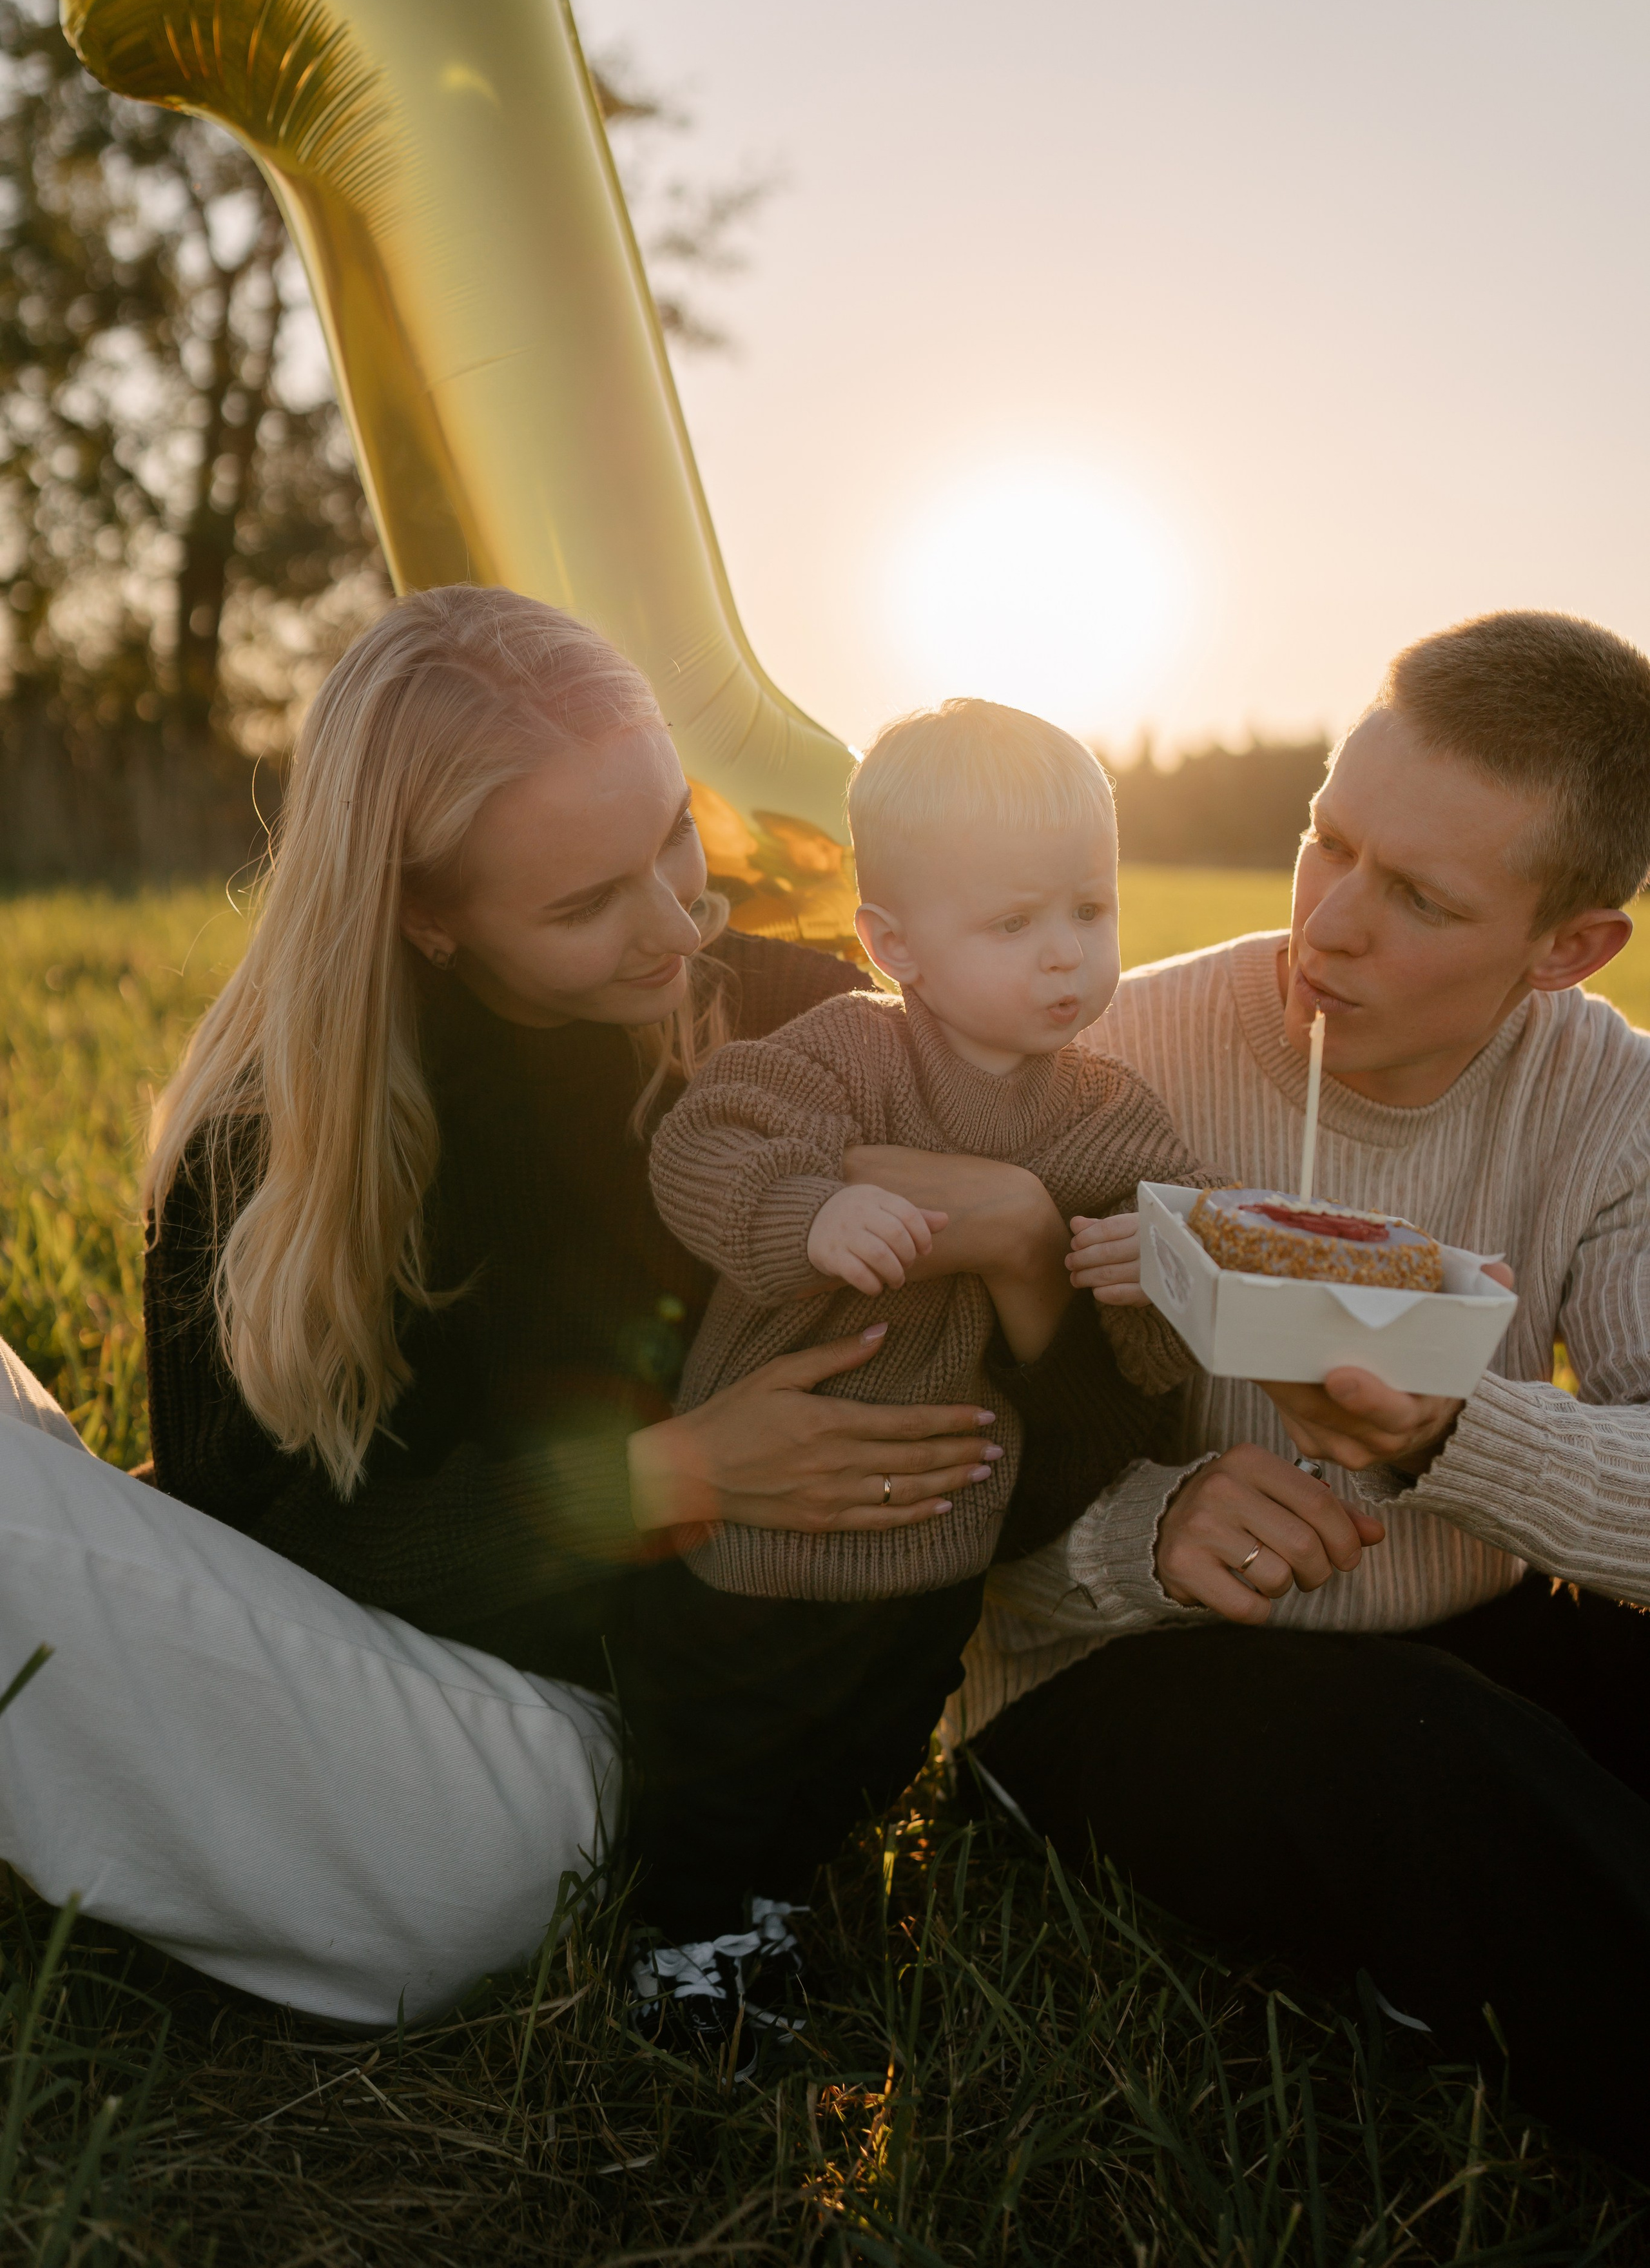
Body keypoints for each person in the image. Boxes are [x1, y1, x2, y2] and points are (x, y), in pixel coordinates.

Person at [60, 581, 1130, 2037]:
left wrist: (1022, 1243)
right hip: (424, 1697)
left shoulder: (803, 1029)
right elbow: (256, 1549)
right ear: (426, 918)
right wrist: (666, 1478)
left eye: (675, 834)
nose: (677, 922)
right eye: (581, 904)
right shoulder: (274, 1148)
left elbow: (1064, 1466)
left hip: (728, 1724)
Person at [924, 610, 1650, 2177]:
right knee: (1440, 1766)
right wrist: (1147, 1528)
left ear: (1567, 947)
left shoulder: (1609, 1097)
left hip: (1454, 1631)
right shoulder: (1103, 1056)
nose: (1326, 922)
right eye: (1328, 841)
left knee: (1483, 1725)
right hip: (1100, 1659)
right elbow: (929, 1469)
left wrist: (1454, 1432)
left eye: (1418, 899)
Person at [636, 702, 1210, 1995]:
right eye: (1013, 924)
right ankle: (690, 1945)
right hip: (765, 1528)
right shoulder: (848, 1053)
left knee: (874, 1731)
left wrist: (1154, 1262)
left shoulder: (1106, 1111)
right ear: (893, 944)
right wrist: (808, 1213)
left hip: (940, 1535)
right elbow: (706, 1144)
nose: (1064, 955)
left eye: (1090, 910)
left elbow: (1177, 1237)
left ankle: (786, 1891)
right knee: (724, 1732)